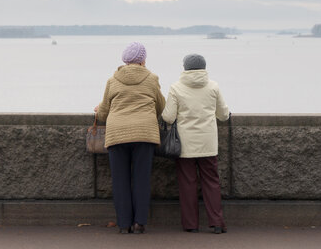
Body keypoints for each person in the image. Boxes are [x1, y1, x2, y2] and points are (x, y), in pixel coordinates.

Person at [95, 42, 165, 234]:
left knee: (120, 180)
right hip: (144, 133)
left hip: (117, 133)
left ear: (124, 60)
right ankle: (140, 222)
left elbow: (103, 113)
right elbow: (161, 108)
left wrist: (98, 110)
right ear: (143, 60)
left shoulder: (112, 80)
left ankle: (124, 224)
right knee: (141, 178)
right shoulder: (152, 78)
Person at [161, 54, 230, 234]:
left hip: (185, 144)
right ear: (204, 67)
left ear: (185, 68)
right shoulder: (213, 86)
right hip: (208, 143)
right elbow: (223, 114)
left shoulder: (176, 88)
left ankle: (191, 225)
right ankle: (216, 223)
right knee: (212, 182)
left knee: (187, 183)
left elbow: (168, 117)